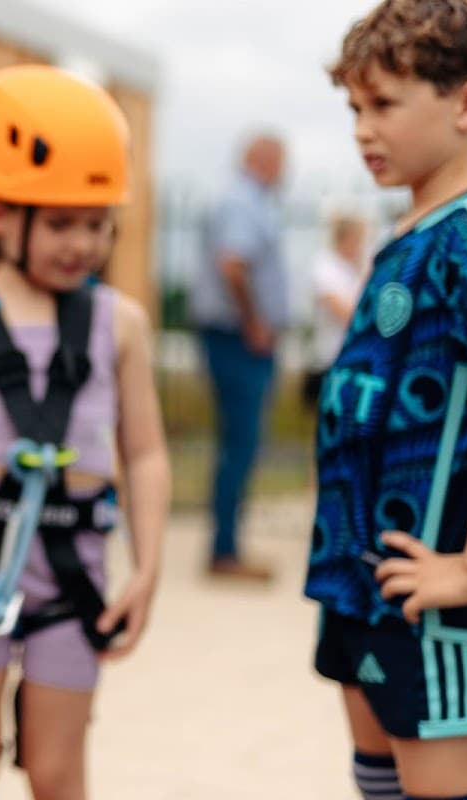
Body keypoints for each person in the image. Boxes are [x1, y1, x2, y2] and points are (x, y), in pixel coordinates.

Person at [0, 65, 169, 800]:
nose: (81, 243)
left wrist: (147, 568)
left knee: (57, 774)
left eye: (96, 222)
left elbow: (143, 453)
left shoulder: (122, 324)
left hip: (71, 574)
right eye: (59, 223)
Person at [304, 1, 467, 799]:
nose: (362, 129)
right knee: (377, 776)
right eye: (353, 108)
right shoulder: (401, 239)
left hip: (431, 589)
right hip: (360, 577)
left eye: (384, 104)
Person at [190, 133, 289, 581]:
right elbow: (233, 264)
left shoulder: (242, 200)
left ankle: (227, 545)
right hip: (238, 338)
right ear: (262, 159)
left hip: (236, 336)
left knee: (239, 443)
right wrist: (254, 322)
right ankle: (225, 551)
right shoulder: (242, 202)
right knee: (240, 444)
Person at [303, 211, 371, 406]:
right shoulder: (324, 266)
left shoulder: (354, 268)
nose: (361, 246)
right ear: (346, 238)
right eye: (359, 240)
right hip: (331, 357)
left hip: (354, 356)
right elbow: (347, 313)